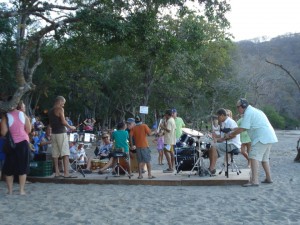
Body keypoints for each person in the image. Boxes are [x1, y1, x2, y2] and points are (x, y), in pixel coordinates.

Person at [225, 98, 278, 187]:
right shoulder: (254, 111)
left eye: (238, 107)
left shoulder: (248, 113)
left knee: (253, 157)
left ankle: (254, 181)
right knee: (264, 159)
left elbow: (243, 129)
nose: (237, 109)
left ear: (243, 106)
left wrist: (229, 135)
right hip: (269, 136)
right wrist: (230, 129)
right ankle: (268, 178)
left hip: (261, 138)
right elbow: (243, 126)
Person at [1, 99, 32, 195]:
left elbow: (3, 132)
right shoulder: (23, 114)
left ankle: (10, 191)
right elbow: (29, 129)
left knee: (9, 167)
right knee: (23, 166)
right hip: (23, 143)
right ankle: (21, 190)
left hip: (11, 144)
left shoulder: (5, 117)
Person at [48, 96, 76, 178]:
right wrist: (71, 127)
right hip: (61, 133)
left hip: (54, 133)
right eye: (63, 103)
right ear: (59, 101)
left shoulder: (50, 111)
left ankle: (57, 172)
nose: (63, 105)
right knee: (65, 153)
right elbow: (63, 122)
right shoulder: (60, 109)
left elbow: (51, 123)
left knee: (55, 154)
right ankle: (66, 173)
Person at [208, 108, 241, 175]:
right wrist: (214, 136)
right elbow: (222, 135)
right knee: (210, 147)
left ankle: (211, 168)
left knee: (213, 146)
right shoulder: (223, 122)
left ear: (222, 115)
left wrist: (217, 140)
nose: (218, 118)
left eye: (218, 116)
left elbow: (233, 136)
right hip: (227, 143)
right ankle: (212, 168)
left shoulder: (231, 122)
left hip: (232, 144)